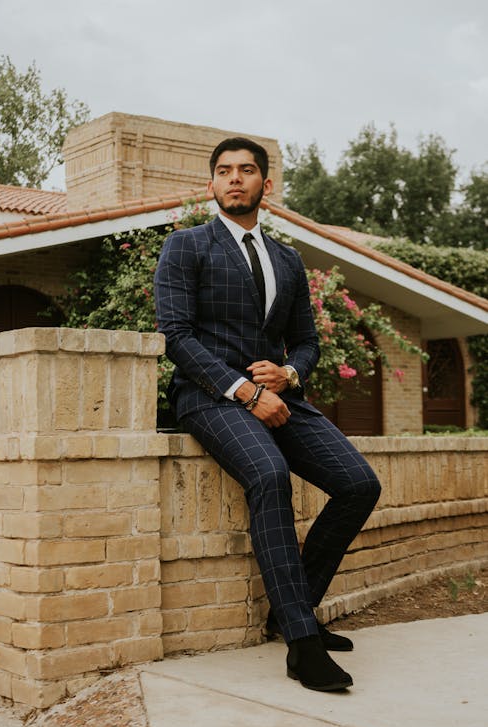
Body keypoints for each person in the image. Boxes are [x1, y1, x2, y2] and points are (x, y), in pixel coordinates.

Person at [154, 137, 381, 692]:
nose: (235, 179)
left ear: (265, 185)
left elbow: (305, 341)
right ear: (211, 185)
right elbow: (176, 337)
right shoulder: (186, 246)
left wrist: (289, 377)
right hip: (207, 397)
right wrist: (245, 391)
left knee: (358, 484)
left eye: (247, 170)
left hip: (282, 397)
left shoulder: (287, 259)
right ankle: (303, 646)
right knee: (269, 475)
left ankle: (291, 610)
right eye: (225, 171)